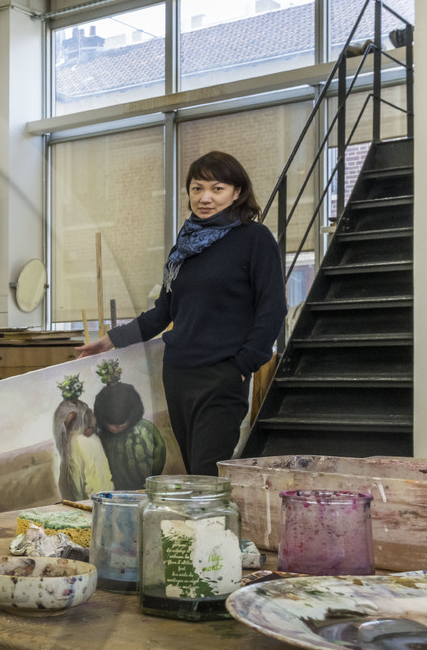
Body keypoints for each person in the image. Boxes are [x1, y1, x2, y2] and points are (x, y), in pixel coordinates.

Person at [78, 150, 286, 475]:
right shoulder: (185, 246)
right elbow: (163, 312)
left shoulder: (254, 238)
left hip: (222, 375)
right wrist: (111, 340)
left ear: (237, 192)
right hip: (178, 374)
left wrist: (243, 364)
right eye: (197, 188)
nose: (205, 198)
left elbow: (272, 309)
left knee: (207, 474)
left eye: (217, 189)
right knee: (193, 472)